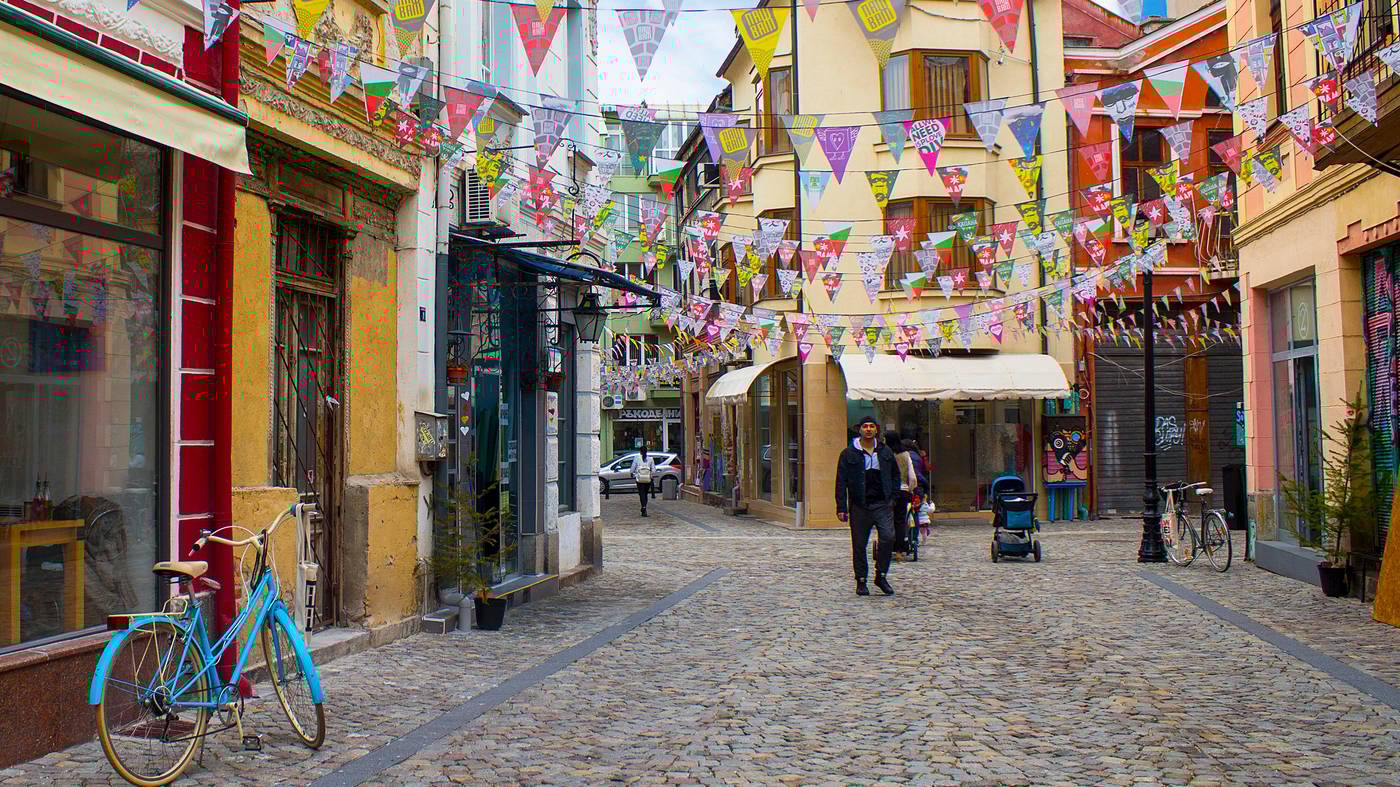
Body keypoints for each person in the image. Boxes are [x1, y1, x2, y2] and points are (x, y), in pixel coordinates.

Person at [835, 417, 899, 596]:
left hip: (882, 504)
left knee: (888, 537)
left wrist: (893, 498)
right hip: (860, 505)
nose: (868, 429)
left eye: (872, 426)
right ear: (860, 430)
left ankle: (881, 575)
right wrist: (841, 506)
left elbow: (895, 475)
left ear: (876, 430)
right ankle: (861, 580)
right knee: (859, 544)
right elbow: (841, 481)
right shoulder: (849, 453)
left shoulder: (885, 452)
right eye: (865, 426)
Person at [888, 432, 917, 557]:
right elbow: (912, 477)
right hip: (903, 490)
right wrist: (910, 489)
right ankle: (900, 548)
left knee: (887, 519)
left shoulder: (885, 454)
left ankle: (888, 545)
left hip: (888, 491)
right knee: (900, 520)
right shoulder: (905, 455)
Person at [632, 445, 656, 517]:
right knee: (645, 493)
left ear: (640, 452)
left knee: (641, 493)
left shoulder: (637, 458)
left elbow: (633, 467)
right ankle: (644, 507)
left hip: (639, 478)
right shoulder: (650, 459)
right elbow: (653, 469)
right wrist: (651, 474)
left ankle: (643, 507)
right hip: (647, 479)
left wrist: (631, 473)